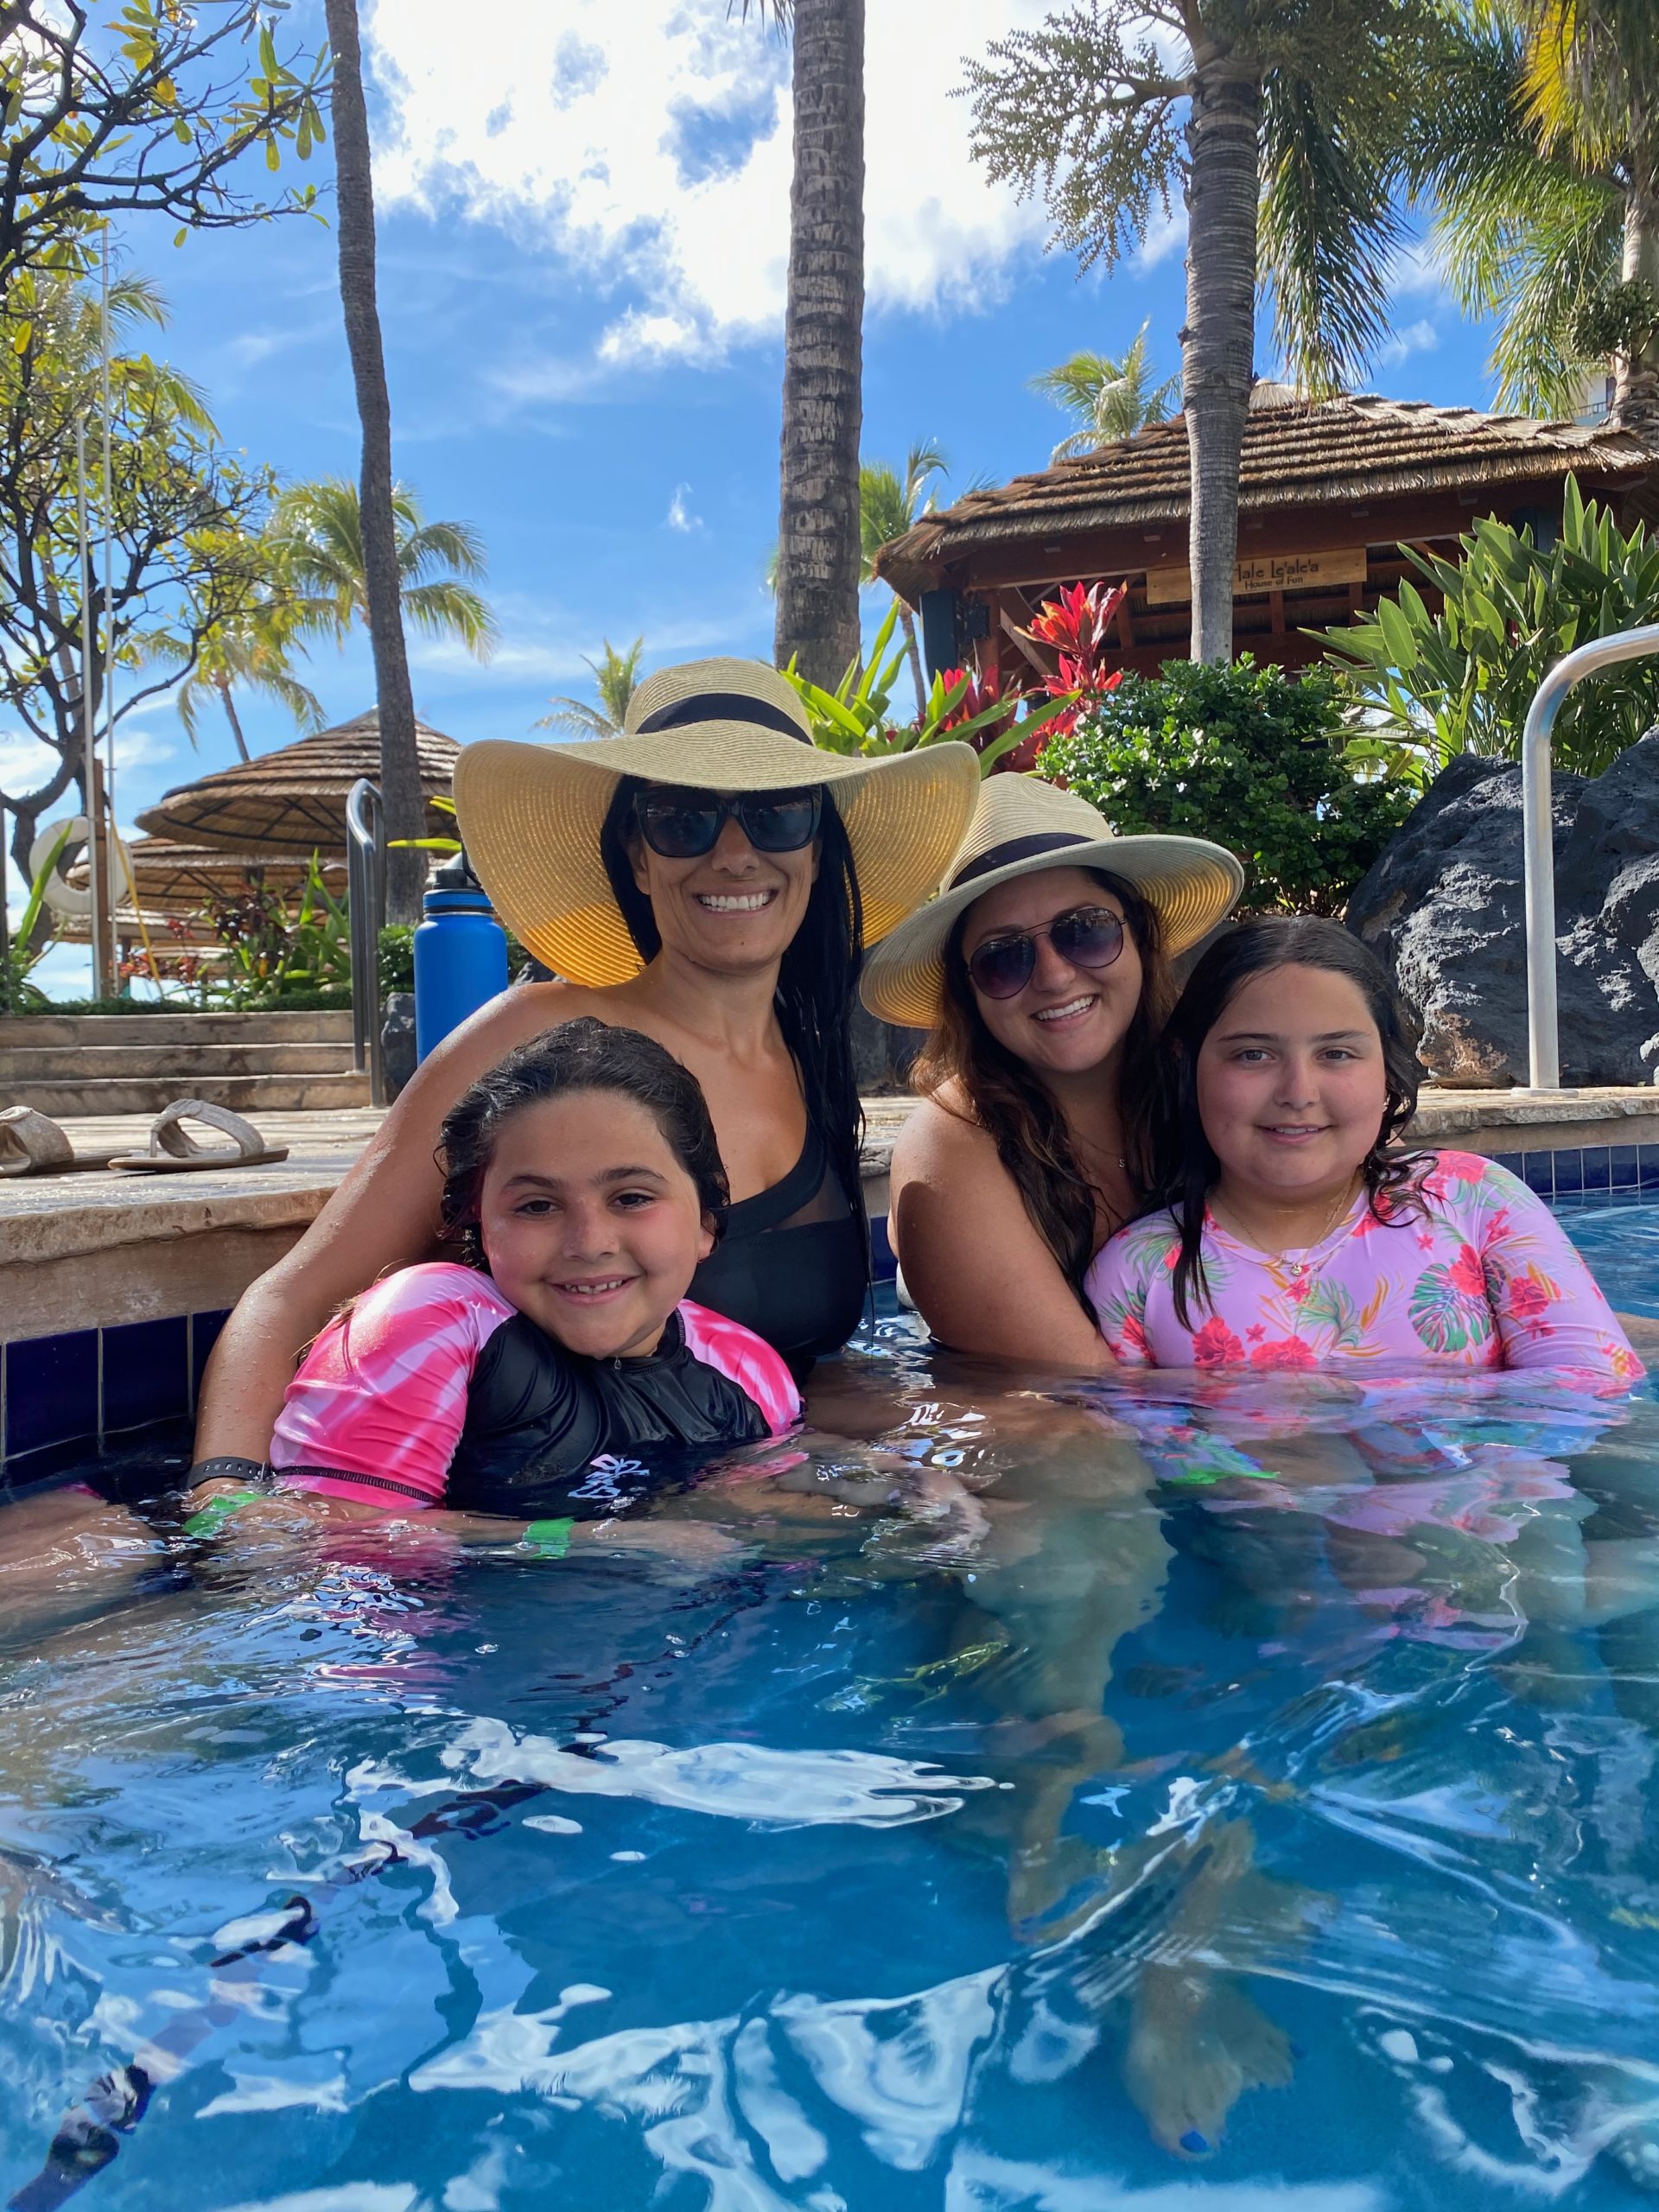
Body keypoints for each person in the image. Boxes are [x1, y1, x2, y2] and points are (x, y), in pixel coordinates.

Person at [191, 660, 978, 1477]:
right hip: (539, 1528)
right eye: (684, 820)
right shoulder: (537, 1038)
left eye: (777, 815)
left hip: (750, 1502)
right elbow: (290, 1302)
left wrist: (957, 1444)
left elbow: (800, 1371)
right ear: (638, 857)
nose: (735, 854)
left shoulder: (808, 1060)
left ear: (815, 851)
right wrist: (227, 1507)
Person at [186, 1023, 803, 1552]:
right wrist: (603, 1542)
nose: (589, 1242)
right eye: (537, 1206)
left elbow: (759, 1518)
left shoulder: (746, 1368)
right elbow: (321, 1544)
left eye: (632, 1198)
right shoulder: (431, 1322)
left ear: (706, 1222)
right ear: (479, 1224)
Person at [1085, 915, 1643, 1383]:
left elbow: (1595, 1392)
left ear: (1386, 1069)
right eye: (1253, 1055)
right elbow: (1130, 1459)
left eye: (1336, 1054)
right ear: (1187, 1065)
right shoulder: (1139, 1272)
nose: (1298, 1093)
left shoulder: (1474, 1200)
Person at [859, 775, 1243, 1368]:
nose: (1055, 976)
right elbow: (1078, 1392)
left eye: (1085, 931)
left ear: (1140, 937)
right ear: (967, 990)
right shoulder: (950, 1144)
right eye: (1003, 957)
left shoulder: (1213, 1077)